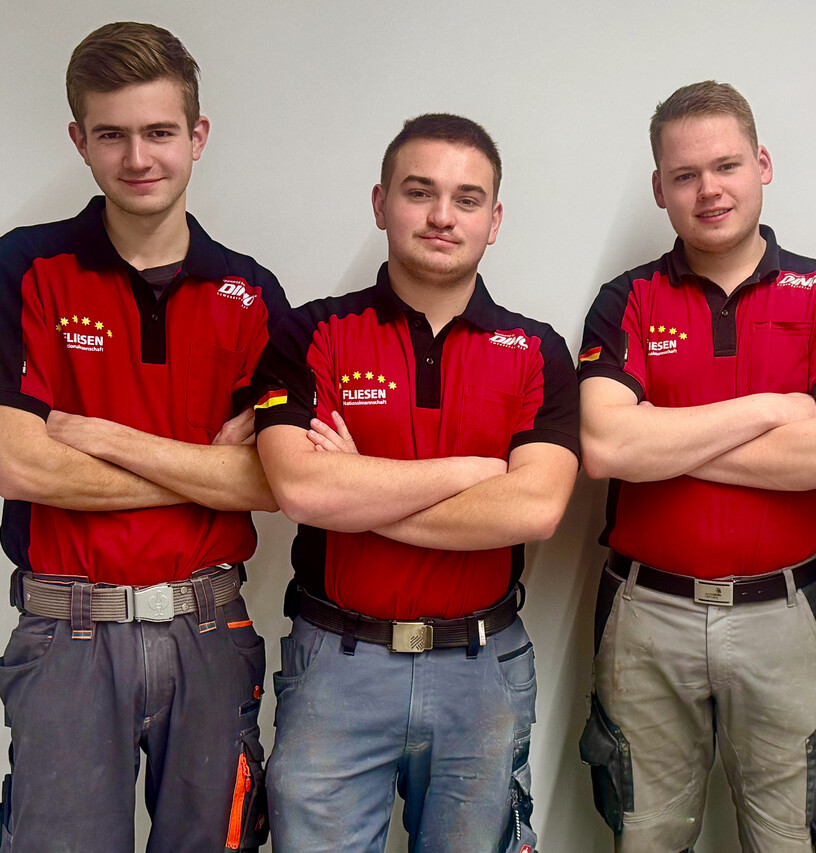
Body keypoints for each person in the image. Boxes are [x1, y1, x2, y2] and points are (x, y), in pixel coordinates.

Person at [0, 21, 288, 853]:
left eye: (159, 132)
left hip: (209, 630)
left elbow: (275, 481)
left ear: (197, 136)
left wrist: (102, 436)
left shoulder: (252, 293)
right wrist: (208, 469)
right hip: (67, 631)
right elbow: (18, 464)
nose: (138, 158)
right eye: (111, 135)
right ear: (79, 140)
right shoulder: (23, 269)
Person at [253, 113, 579, 853]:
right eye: (419, 191)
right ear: (381, 204)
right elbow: (302, 491)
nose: (442, 216)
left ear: (494, 220)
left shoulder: (537, 351)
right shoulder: (309, 333)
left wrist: (357, 489)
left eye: (467, 199)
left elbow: (535, 506)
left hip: (482, 669)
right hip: (337, 667)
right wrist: (473, 474)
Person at [576, 81, 816, 852]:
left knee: (788, 841)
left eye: (726, 166)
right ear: (660, 189)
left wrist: (665, 441)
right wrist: (772, 407)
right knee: (646, 838)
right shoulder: (625, 300)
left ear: (762, 164)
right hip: (648, 613)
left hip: (785, 614)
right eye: (685, 175)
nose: (708, 189)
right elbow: (607, 449)